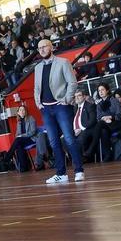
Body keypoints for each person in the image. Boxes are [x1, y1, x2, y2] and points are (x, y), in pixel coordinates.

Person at [33, 38, 84, 184]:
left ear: (51, 48)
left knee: (69, 139)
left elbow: (72, 82)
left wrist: (67, 99)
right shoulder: (37, 68)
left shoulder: (63, 62)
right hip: (46, 109)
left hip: (61, 106)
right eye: (39, 48)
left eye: (44, 47)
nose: (42, 49)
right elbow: (36, 88)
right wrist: (38, 103)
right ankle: (61, 173)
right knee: (54, 142)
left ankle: (79, 170)